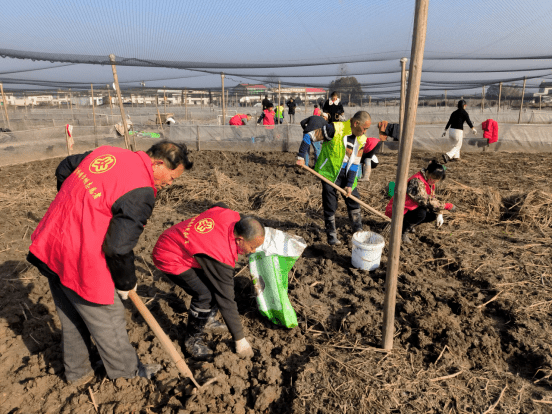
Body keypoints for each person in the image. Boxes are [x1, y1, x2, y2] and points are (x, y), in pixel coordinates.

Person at [26, 141, 194, 385]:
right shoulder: (141, 190)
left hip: (51, 243)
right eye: (171, 177)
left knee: (73, 316)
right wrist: (126, 282)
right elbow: (117, 247)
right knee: (109, 316)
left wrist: (75, 204)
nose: (170, 183)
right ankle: (127, 375)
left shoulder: (108, 152)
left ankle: (77, 373)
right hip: (80, 259)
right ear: (157, 164)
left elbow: (65, 167)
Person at [152, 204, 265, 359]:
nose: (253, 251)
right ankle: (192, 341)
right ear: (239, 240)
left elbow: (217, 206)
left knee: (213, 284)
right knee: (204, 295)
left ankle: (208, 319)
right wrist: (240, 340)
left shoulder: (230, 215)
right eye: (252, 247)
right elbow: (226, 300)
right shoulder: (221, 256)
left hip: (180, 241)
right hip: (169, 255)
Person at [296, 111, 371, 246]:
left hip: (348, 172)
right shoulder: (335, 129)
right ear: (356, 123)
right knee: (330, 202)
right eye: (364, 128)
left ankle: (358, 231)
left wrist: (349, 184)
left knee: (354, 199)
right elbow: (309, 136)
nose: (365, 132)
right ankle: (331, 234)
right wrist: (301, 156)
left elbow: (355, 164)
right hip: (329, 172)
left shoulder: (362, 139)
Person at [385, 160, 456, 244]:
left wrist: (440, 213)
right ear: (428, 172)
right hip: (399, 209)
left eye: (437, 180)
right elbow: (425, 200)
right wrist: (446, 206)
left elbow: (432, 198)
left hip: (411, 207)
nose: (434, 181)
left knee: (432, 215)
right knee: (421, 213)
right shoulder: (416, 181)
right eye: (433, 177)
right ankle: (403, 231)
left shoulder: (430, 183)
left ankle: (408, 225)